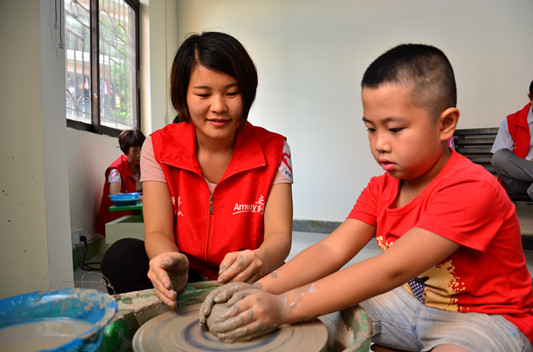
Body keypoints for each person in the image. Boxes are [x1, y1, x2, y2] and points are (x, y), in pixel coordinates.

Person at [199, 44, 533, 351]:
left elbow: (392, 268)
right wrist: (262, 290)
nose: (380, 144)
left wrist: (284, 307)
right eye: (371, 128)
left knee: (296, 307)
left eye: (395, 128)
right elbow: (331, 249)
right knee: (317, 314)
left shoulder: (472, 187)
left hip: (484, 318)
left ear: (446, 124)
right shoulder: (381, 187)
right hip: (411, 304)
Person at [101, 32, 294, 301]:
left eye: (232, 93)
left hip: (249, 277)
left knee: (300, 286)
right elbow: (158, 232)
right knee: (120, 257)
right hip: (186, 277)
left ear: (247, 93)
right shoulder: (158, 147)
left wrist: (259, 259)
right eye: (203, 94)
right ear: (183, 95)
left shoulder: (274, 149)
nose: (219, 107)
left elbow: (280, 236)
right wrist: (168, 261)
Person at [95, 128, 145, 236]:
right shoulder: (116, 170)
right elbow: (115, 194)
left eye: (142, 149)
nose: (139, 154)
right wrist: (140, 197)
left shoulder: (142, 167)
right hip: (118, 217)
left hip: (136, 213)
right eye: (135, 151)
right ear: (125, 150)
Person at [491, 80, 533, 201]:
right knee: (498, 157)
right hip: (517, 181)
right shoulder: (511, 121)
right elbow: (501, 161)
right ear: (530, 97)